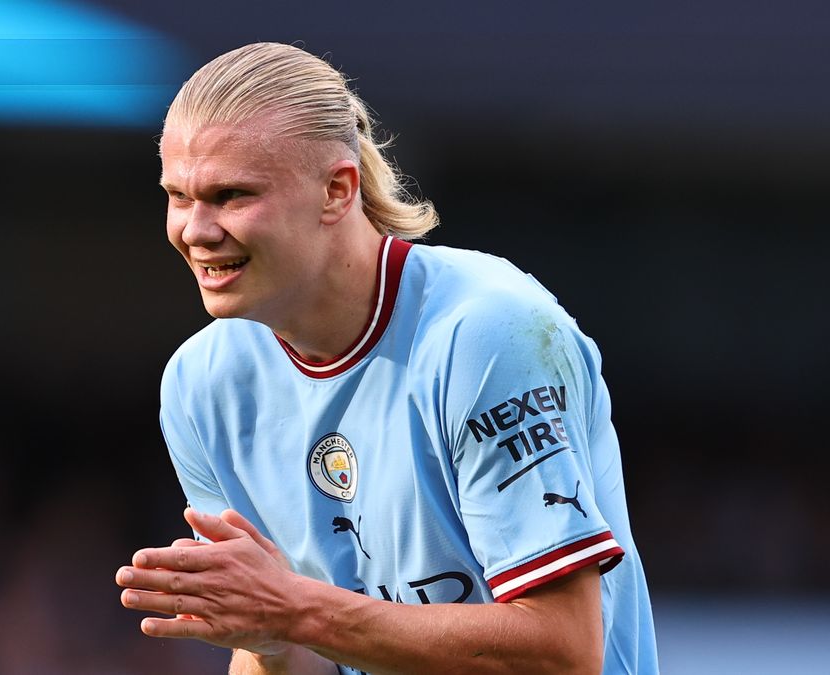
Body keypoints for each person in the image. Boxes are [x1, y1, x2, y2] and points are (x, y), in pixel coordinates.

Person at [115, 42, 658, 674]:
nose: (195, 230)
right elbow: (288, 648)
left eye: (231, 195)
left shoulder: (485, 334)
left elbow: (563, 651)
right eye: (179, 197)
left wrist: (296, 613)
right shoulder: (200, 384)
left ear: (337, 192)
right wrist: (268, 636)